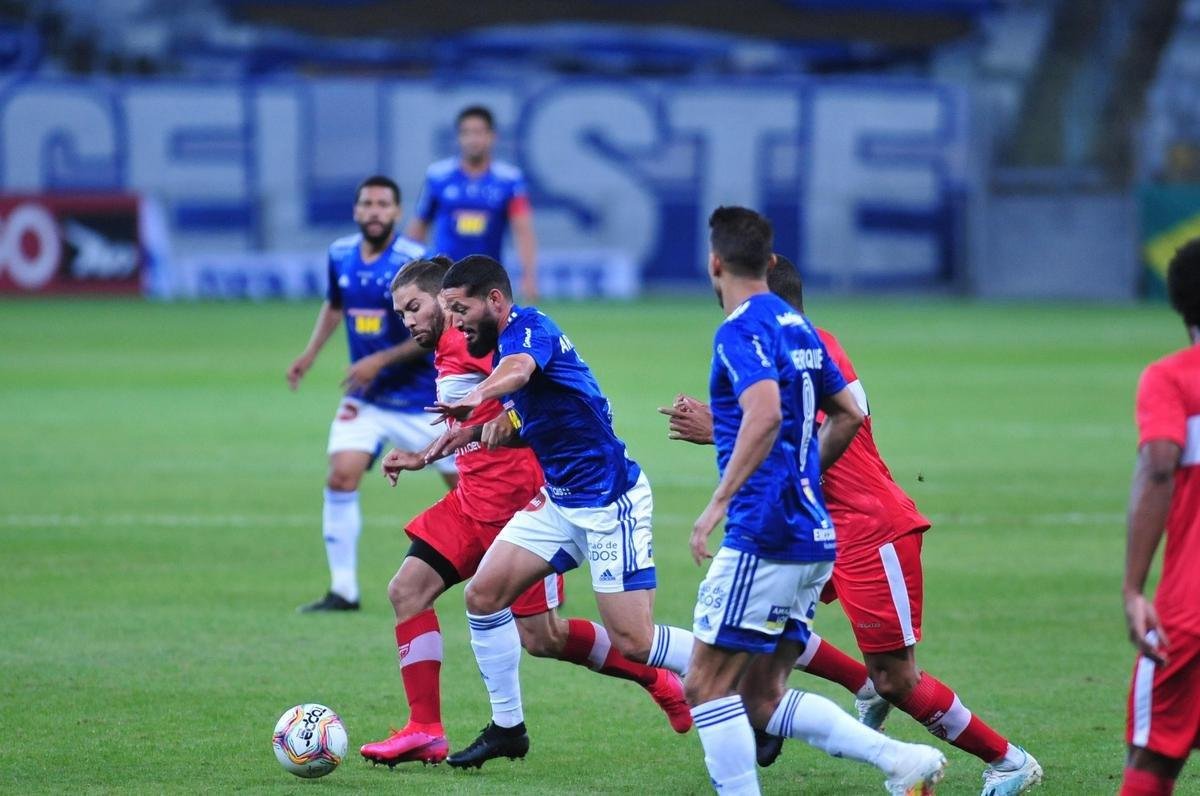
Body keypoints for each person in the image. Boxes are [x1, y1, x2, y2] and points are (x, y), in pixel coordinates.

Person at [662, 254, 1043, 796]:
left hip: (869, 529)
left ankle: (1008, 761)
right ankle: (807, 708)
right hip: (816, 529)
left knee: (897, 678)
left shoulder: (808, 346)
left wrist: (719, 427)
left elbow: (823, 429)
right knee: (762, 645)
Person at [358, 256, 691, 767]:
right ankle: (429, 729)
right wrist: (428, 454)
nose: (409, 321)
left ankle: (664, 676)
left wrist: (485, 400)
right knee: (409, 589)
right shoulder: (462, 341)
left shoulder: (485, 338)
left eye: (415, 307)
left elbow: (521, 377)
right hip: (472, 503)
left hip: (526, 501)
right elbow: (501, 419)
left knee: (545, 638)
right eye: (402, 312)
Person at [681, 207, 948, 796]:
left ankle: (897, 757)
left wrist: (719, 501)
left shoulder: (740, 329)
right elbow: (850, 410)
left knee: (704, 685)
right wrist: (802, 473)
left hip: (765, 533)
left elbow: (765, 413)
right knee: (762, 695)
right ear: (771, 262)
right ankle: (901, 760)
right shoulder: (800, 328)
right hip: (815, 535)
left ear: (715, 263)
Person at [286, 175, 456, 613]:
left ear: (397, 213)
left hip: (423, 400)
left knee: (471, 488)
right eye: (368, 203)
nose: (375, 211)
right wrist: (308, 355)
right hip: (366, 398)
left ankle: (527, 577)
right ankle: (344, 590)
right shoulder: (340, 253)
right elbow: (335, 305)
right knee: (340, 475)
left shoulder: (415, 263)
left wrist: (380, 360)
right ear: (357, 210)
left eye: (384, 204)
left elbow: (439, 328)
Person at [1120, 238, 1200, 796]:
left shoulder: (1174, 378)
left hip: (1189, 610)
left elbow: (1158, 467)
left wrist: (1132, 588)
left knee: (1152, 756)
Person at [407, 105, 538, 301]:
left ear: (492, 136)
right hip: (444, 277)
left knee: (489, 331)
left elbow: (523, 229)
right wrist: (409, 273)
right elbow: (419, 226)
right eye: (466, 133)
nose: (472, 139)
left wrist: (529, 275)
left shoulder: (509, 180)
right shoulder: (438, 176)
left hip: (488, 280)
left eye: (478, 132)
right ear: (458, 137)